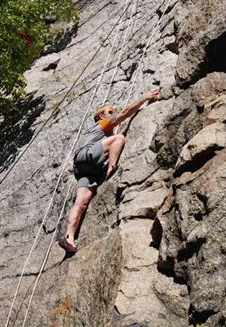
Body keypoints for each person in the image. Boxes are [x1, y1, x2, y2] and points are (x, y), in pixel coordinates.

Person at [58, 88, 159, 254]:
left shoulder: (103, 134)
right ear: (101, 116)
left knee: (81, 202)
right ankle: (111, 168)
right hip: (88, 155)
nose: (114, 113)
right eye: (110, 112)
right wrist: (144, 97)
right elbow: (126, 113)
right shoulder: (102, 124)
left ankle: (69, 238)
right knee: (119, 138)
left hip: (84, 170)